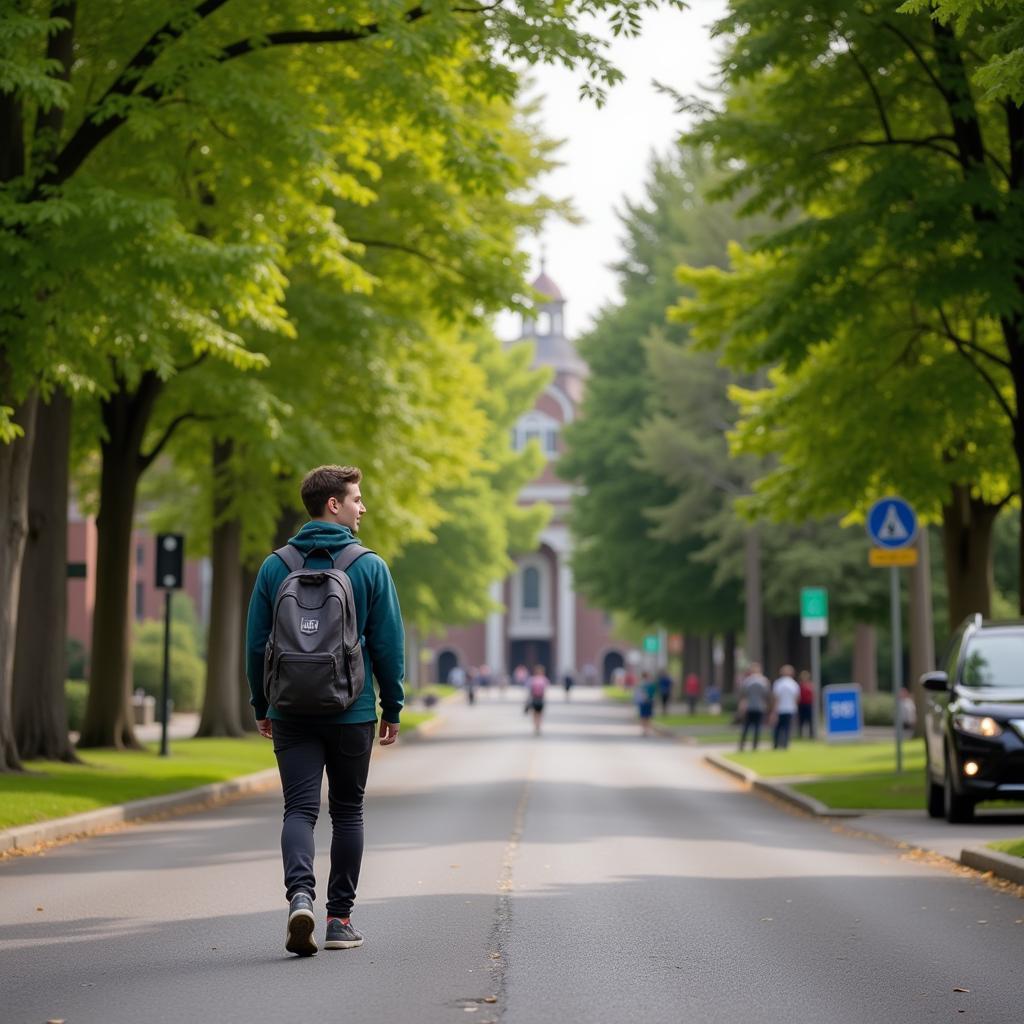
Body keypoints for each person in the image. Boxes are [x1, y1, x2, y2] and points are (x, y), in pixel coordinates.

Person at [246, 464, 404, 957]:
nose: (363, 508)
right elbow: (388, 644)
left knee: (298, 809)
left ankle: (300, 896)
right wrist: (392, 705)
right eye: (357, 499)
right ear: (333, 505)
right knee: (348, 811)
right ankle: (339, 920)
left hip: (290, 707)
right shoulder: (370, 565)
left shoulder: (276, 566)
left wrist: (262, 703)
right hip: (352, 709)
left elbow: (256, 646)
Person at [738, 662, 770, 751]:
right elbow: (766, 695)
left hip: (749, 707)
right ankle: (755, 745)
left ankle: (742, 744)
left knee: (746, 727)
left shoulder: (747, 681)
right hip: (760, 707)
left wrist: (741, 707)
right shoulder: (764, 681)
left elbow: (743, 695)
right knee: (757, 727)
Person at [771, 664, 800, 750]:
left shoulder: (778, 683)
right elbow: (797, 698)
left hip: (780, 708)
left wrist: (774, 710)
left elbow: (776, 697)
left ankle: (776, 744)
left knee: (777, 727)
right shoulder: (794, 684)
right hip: (790, 709)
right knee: (787, 727)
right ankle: (785, 744)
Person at [526, 664, 549, 734]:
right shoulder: (544, 679)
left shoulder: (532, 679)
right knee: (540, 714)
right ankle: (538, 726)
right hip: (540, 698)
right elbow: (545, 690)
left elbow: (529, 689)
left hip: (534, 698)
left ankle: (536, 726)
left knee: (535, 714)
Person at [797, 670, 815, 739]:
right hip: (801, 704)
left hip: (809, 704)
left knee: (810, 720)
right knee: (801, 720)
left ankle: (811, 734)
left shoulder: (810, 685)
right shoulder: (799, 685)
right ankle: (801, 734)